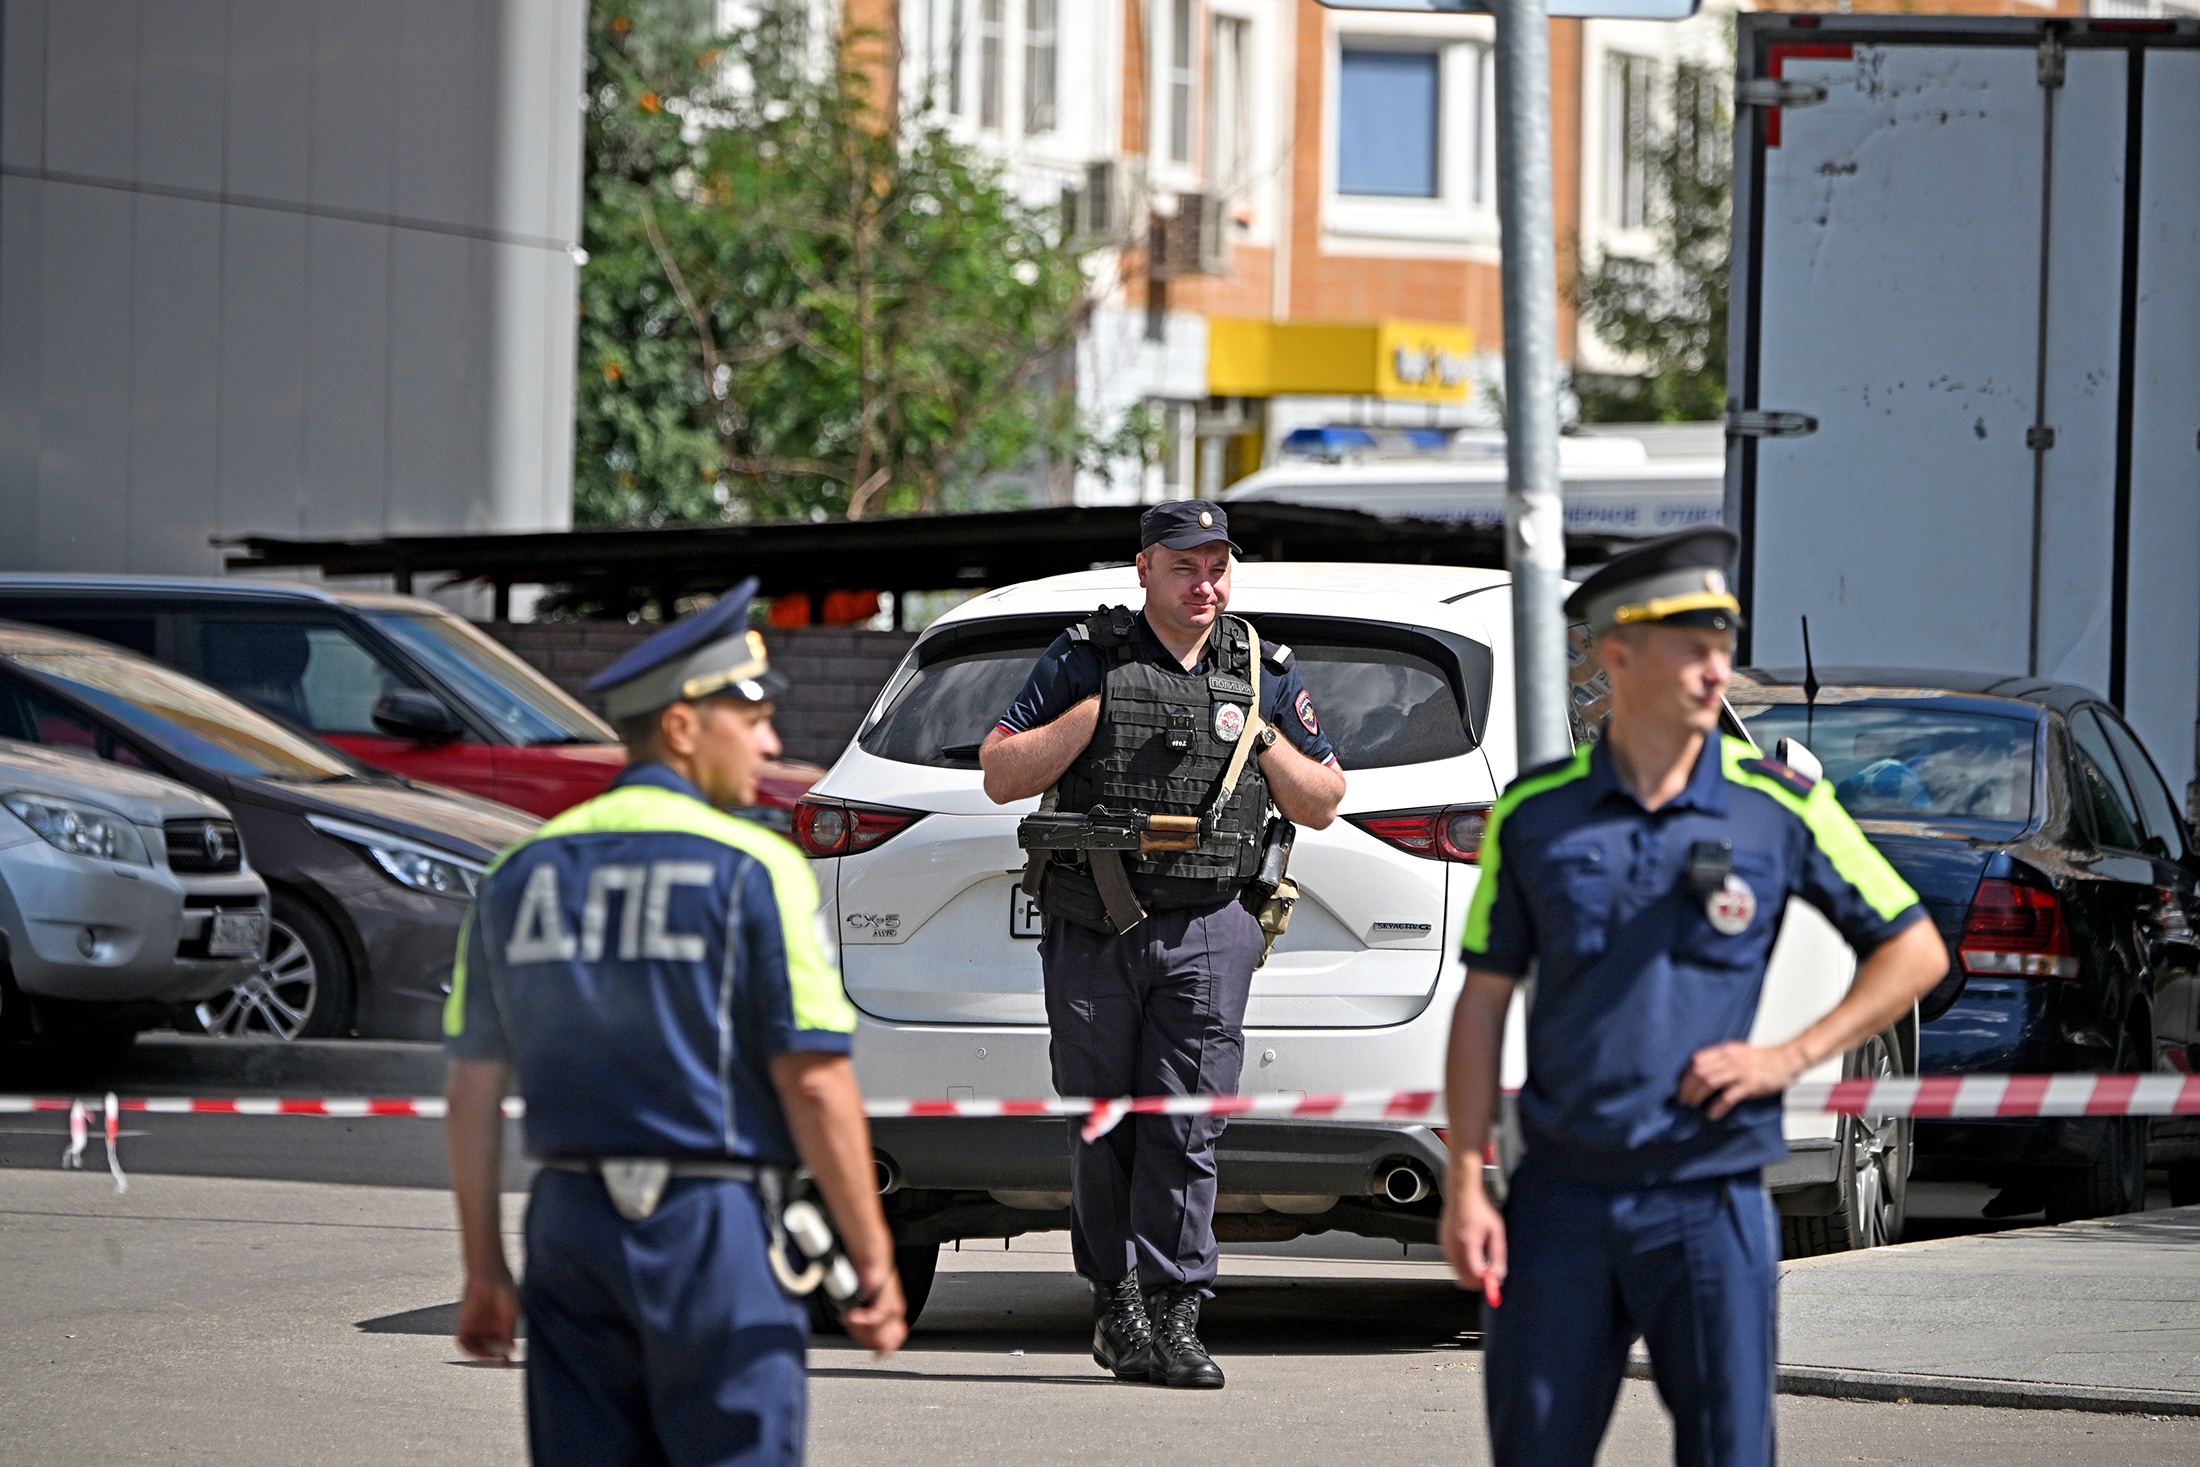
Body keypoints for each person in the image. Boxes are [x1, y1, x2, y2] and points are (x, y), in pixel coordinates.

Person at [1438, 527, 1948, 1467]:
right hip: (1559, 1200)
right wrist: (1467, 1183)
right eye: (1692, 646)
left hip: (1710, 1198)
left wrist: (1788, 1056)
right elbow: (1482, 1003)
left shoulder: (1779, 804)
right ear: (1617, 652)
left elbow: (1914, 950)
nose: (1717, 670)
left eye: (1724, 644)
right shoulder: (1535, 814)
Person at [443, 579, 905, 1465]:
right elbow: (812, 1079)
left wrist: (483, 1270)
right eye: (752, 712)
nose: (770, 738)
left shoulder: (517, 872)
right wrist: (870, 1254)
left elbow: (472, 1089)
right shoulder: (755, 867)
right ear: (684, 726)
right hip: (711, 1225)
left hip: (570, 1224)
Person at [979, 501, 1348, 1390]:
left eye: (1219, 566)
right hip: (1095, 923)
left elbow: (1324, 797)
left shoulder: (1260, 669)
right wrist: (1093, 717)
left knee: (1187, 1128)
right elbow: (999, 771)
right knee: (1103, 1121)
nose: (1206, 584)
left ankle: (1179, 1313)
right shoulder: (1083, 657)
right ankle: (1116, 1306)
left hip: (1210, 928)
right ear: (1143, 567)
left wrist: (1260, 740)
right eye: (1187, 566)